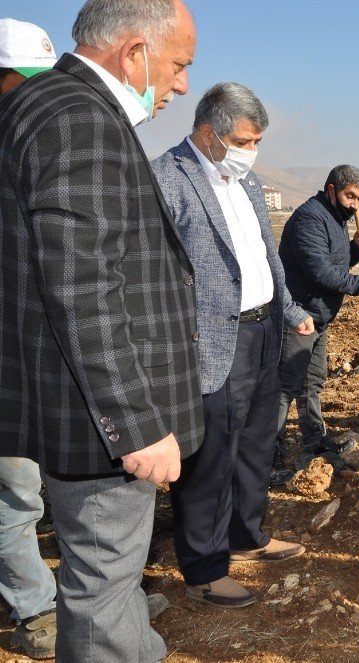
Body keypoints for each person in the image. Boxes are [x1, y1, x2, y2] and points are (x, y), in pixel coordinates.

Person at [0, 1, 201, 659]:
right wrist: (134, 423)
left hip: (70, 400)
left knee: (111, 588)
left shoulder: (49, 106)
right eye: (177, 66)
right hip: (92, 419)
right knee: (101, 592)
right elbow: (82, 290)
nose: (180, 85)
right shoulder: (79, 120)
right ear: (135, 52)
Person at [151, 82, 313, 608]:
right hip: (214, 339)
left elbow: (267, 257)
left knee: (257, 442)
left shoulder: (247, 182)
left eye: (258, 141)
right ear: (208, 132)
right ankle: (204, 567)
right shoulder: (166, 180)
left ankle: (247, 535)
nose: (252, 151)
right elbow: (156, 275)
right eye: (244, 140)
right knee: (212, 453)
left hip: (265, 330)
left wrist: (288, 310)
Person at [0, 18, 60, 660]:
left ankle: (68, 598)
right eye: (26, 82)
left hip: (39, 355)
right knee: (15, 492)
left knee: (45, 484)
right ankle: (36, 613)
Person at [272, 165, 359, 484]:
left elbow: (335, 263)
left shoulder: (335, 219)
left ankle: (314, 441)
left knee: (312, 383)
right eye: (350, 196)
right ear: (331, 189)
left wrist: (356, 250)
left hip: (320, 318)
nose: (354, 205)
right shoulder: (309, 218)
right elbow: (319, 272)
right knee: (284, 389)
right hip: (298, 316)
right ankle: (268, 459)